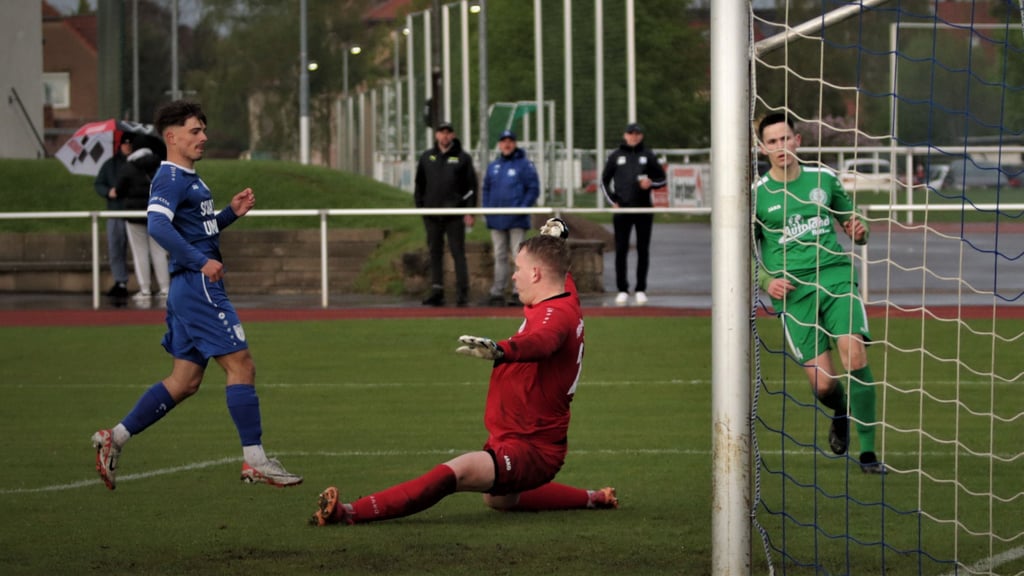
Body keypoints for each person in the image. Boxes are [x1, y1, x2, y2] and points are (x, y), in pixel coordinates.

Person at [310, 221, 617, 527]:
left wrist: (502, 349)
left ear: (536, 274)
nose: (513, 275)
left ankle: (349, 513)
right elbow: (557, 267)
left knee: (457, 472)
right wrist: (554, 236)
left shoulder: (555, 316)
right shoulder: (563, 295)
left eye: (519, 268)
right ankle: (595, 498)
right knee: (498, 499)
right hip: (519, 437)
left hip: (530, 449)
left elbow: (542, 342)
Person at [90, 100, 302, 489]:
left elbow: (198, 230)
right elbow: (157, 225)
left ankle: (113, 438)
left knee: (184, 381)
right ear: (171, 137)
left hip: (188, 287)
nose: (203, 137)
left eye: (203, 129)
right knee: (242, 365)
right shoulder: (170, 176)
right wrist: (200, 261)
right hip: (198, 284)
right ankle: (254, 460)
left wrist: (229, 214)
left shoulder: (192, 178)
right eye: (195, 130)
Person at [753, 112, 885, 474]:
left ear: (798, 141)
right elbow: (743, 255)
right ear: (763, 148)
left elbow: (853, 222)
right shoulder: (757, 196)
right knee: (824, 384)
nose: (781, 147)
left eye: (786, 139)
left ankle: (869, 454)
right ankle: (840, 410)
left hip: (835, 277)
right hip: (793, 294)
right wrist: (767, 281)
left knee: (854, 354)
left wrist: (860, 230)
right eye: (773, 142)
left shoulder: (823, 179)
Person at [600, 122, 667, 306]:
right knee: (621, 250)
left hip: (644, 209)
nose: (634, 136)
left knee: (642, 249)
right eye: (631, 133)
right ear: (625, 135)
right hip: (623, 210)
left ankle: (640, 289)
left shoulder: (648, 156)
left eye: (637, 133)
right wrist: (613, 201)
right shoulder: (616, 156)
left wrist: (650, 183)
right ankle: (622, 289)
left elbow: (662, 179)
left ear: (641, 136)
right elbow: (604, 181)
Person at [414, 121, 478, 307]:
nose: (445, 136)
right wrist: (421, 208)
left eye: (448, 132)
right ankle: (437, 291)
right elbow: (420, 185)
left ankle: (462, 292)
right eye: (441, 132)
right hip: (432, 215)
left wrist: (469, 211)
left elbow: (471, 187)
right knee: (434, 251)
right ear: (436, 135)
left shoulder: (462, 158)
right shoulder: (427, 157)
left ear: (453, 135)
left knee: (457, 252)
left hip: (455, 214)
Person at [481, 129, 540, 306]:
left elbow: (533, 189)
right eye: (503, 141)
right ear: (499, 144)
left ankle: (518, 291)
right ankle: (497, 291)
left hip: (517, 220)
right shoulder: (494, 166)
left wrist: (522, 208)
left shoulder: (524, 165)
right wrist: (487, 210)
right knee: (499, 254)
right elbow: (486, 189)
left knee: (518, 256)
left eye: (510, 141)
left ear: (514, 143)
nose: (507, 144)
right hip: (496, 219)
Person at [117, 146, 170, 304]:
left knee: (140, 253)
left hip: (134, 216)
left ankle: (145, 289)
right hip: (156, 214)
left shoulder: (128, 167)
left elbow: (119, 189)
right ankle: (165, 288)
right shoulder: (160, 165)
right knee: (159, 252)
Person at [94, 134, 132, 300]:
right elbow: (99, 184)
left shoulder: (138, 164)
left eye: (130, 144)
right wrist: (108, 192)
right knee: (115, 248)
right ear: (120, 145)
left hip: (133, 212)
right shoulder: (110, 165)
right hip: (115, 212)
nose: (127, 147)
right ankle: (120, 282)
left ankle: (147, 285)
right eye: (125, 144)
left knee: (140, 251)